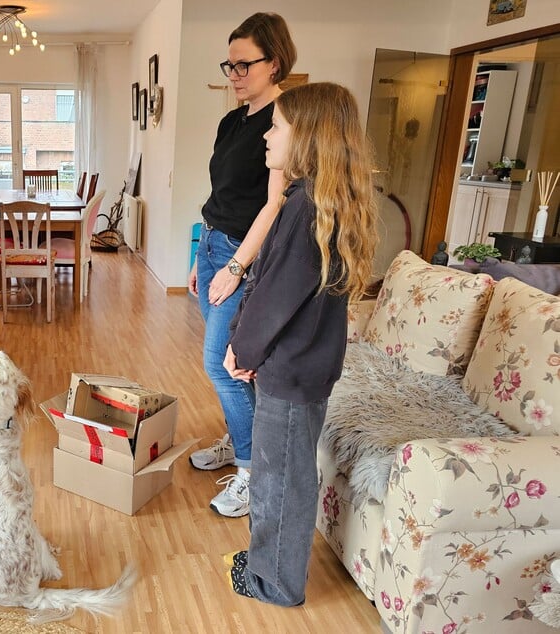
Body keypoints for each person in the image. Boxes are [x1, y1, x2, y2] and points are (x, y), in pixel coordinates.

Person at [222, 82, 379, 606]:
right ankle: (270, 563)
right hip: (301, 366)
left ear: (306, 137)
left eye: (277, 126)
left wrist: (242, 351)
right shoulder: (313, 201)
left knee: (279, 484)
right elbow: (270, 284)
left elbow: (273, 296)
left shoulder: (304, 208)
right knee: (278, 476)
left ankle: (277, 583)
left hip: (291, 372)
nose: (267, 134)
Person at [187, 12, 296, 519]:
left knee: (223, 365)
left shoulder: (285, 122)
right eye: (228, 66)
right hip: (212, 245)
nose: (233, 75)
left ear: (274, 63)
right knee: (229, 367)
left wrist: (235, 266)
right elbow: (220, 195)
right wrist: (199, 256)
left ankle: (254, 473)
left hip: (240, 255)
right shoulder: (232, 121)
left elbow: (274, 205)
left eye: (243, 65)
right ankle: (239, 442)